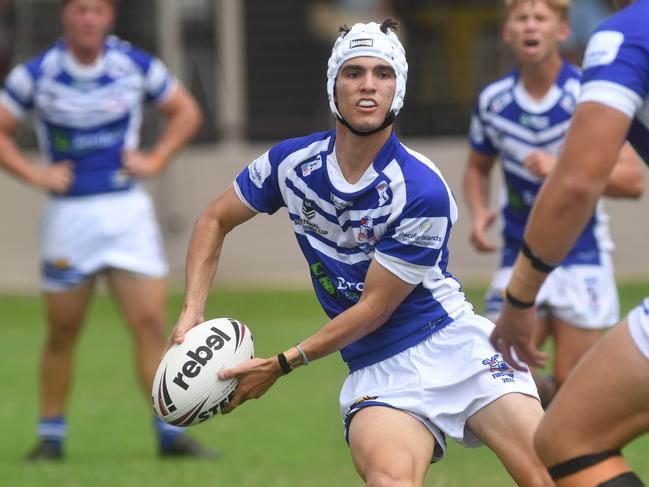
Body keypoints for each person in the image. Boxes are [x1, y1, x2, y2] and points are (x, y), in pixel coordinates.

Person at [169, 19, 553, 486]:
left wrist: (281, 364)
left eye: (382, 73)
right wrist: (192, 310)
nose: (368, 85)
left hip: (456, 346)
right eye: (353, 73)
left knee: (549, 474)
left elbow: (374, 309)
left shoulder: (421, 189)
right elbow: (214, 219)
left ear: (399, 89)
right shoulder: (291, 164)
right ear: (334, 86)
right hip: (376, 370)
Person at [0, 0, 215, 461]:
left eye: (97, 10)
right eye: (79, 10)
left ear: (110, 16)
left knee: (151, 324)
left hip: (126, 214)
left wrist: (155, 160)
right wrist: (35, 174)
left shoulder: (133, 65)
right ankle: (51, 437)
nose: (88, 19)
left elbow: (186, 112)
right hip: (69, 218)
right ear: (65, 15)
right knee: (62, 331)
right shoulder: (37, 73)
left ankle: (169, 431)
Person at [491, 0, 649, 485]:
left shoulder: (624, 36)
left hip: (576, 260)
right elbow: (477, 168)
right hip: (530, 247)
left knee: (567, 439)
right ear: (507, 31)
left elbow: (581, 182)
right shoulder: (493, 102)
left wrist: (520, 296)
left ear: (561, 30)